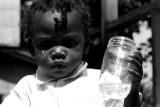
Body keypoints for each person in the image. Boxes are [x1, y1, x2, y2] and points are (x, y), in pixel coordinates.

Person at [0, 0, 143, 107]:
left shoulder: (103, 83)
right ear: (32, 50)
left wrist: (132, 89)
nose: (58, 52)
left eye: (69, 43)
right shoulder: (28, 88)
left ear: (86, 46)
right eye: (46, 44)